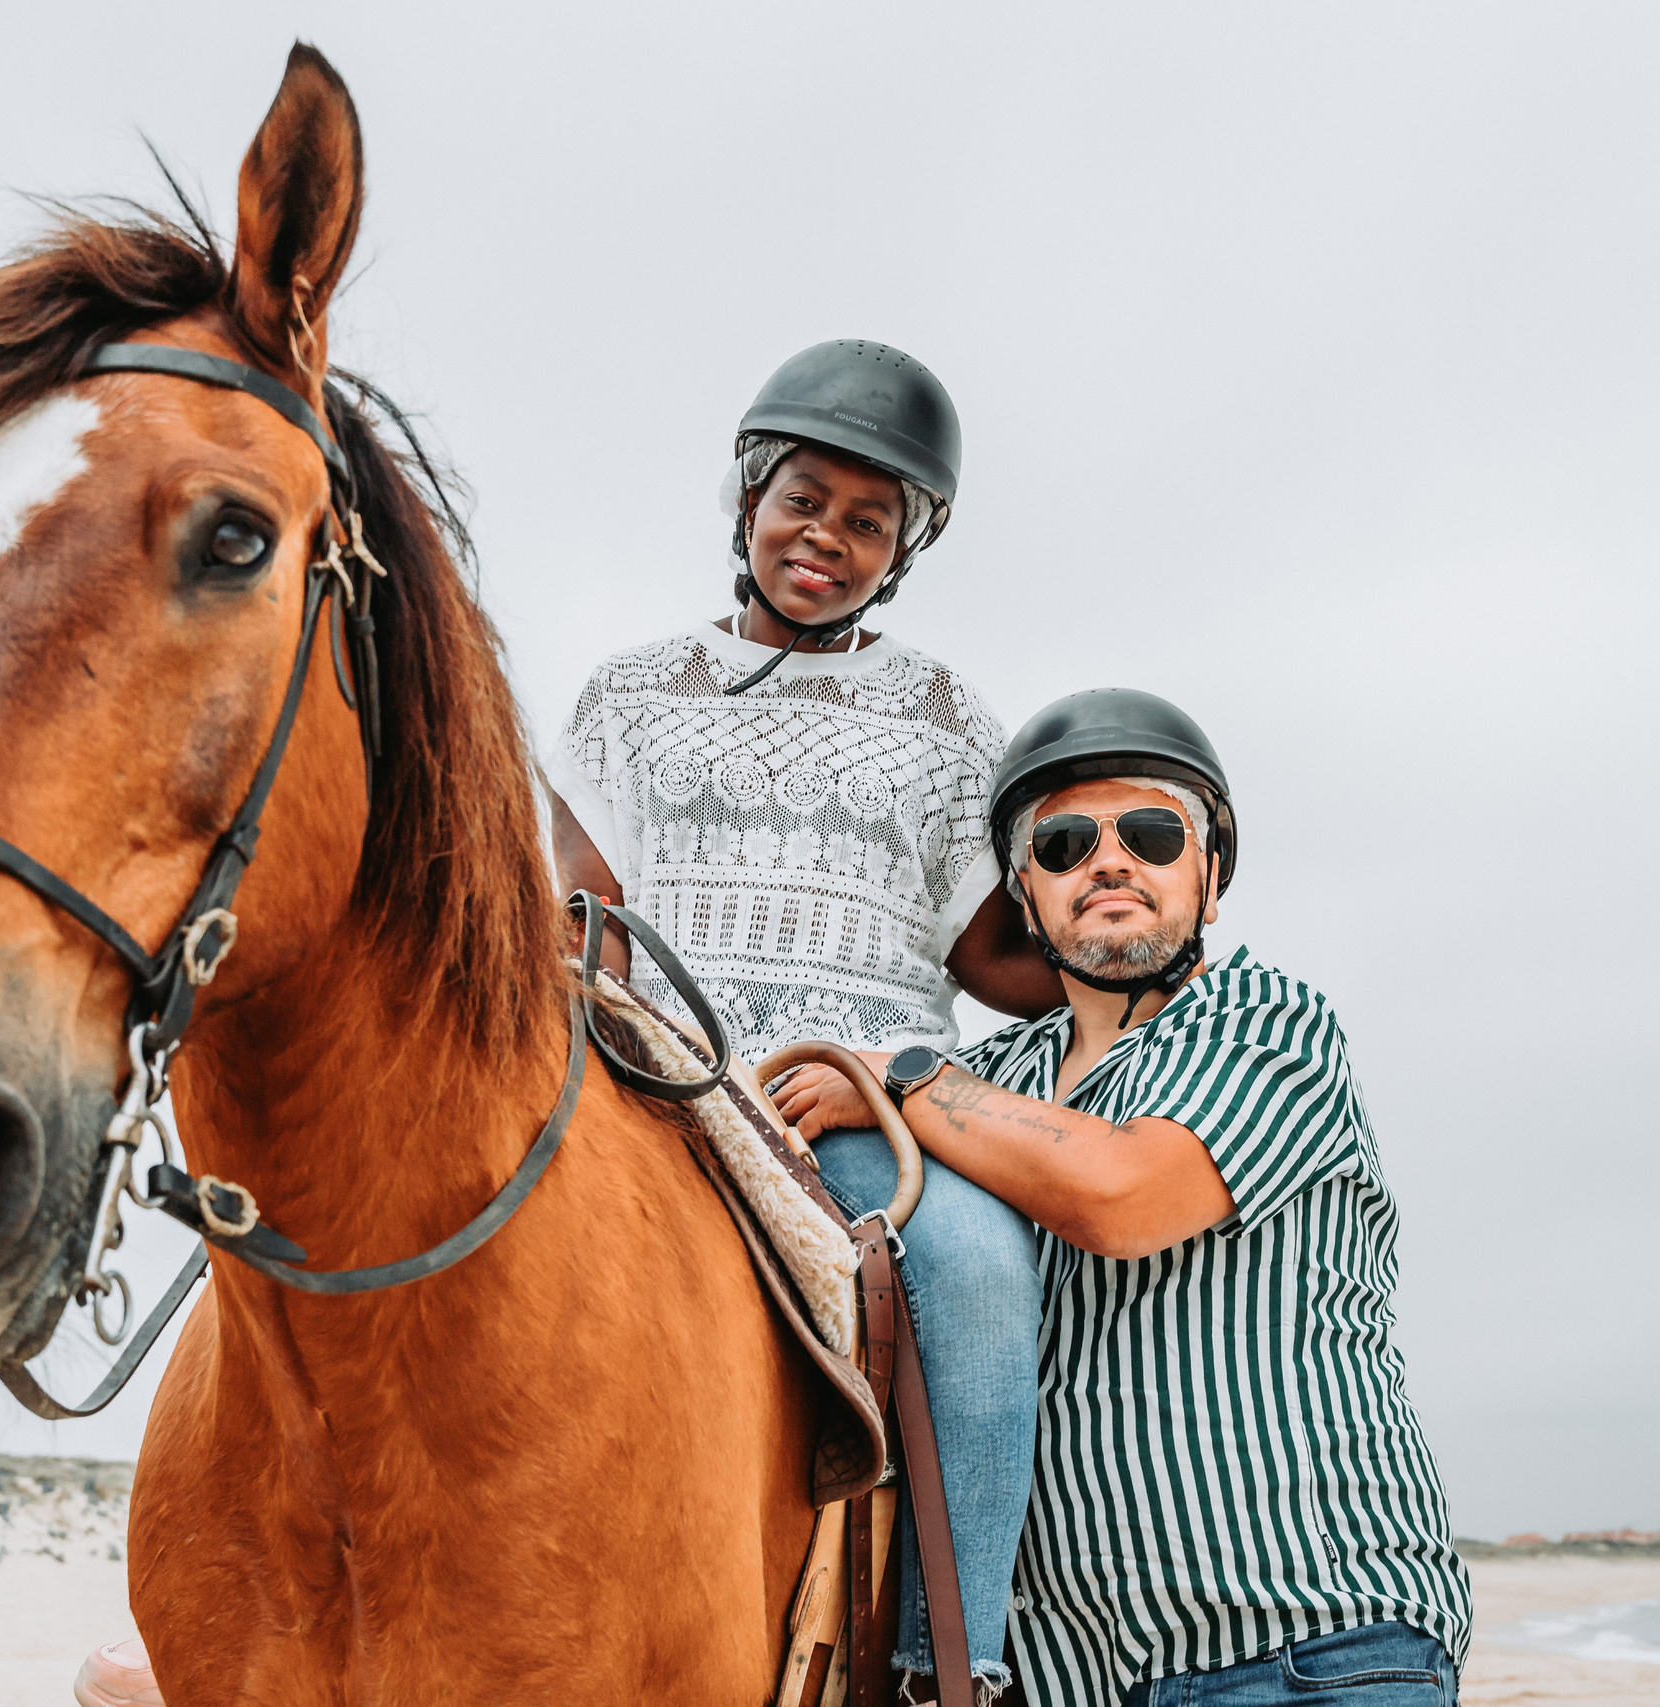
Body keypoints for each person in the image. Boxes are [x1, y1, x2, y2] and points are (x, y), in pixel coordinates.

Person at [779, 690, 1474, 1706]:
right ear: (1025, 897)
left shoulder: (1269, 1022)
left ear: (1210, 877)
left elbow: (1121, 1193)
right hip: (1077, 1684)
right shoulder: (989, 1079)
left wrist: (901, 1078)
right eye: (1062, 844)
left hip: (1311, 1650)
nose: (1107, 861)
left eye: (1150, 833)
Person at [548, 339, 1062, 1701]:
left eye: (866, 520)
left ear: (903, 550)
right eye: (803, 500)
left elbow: (991, 954)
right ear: (749, 503)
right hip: (658, 1075)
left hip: (863, 1094)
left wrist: (1118, 938)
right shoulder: (625, 694)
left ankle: (951, 1666)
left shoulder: (952, 717)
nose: (825, 536)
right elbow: (579, 919)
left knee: (975, 1266)